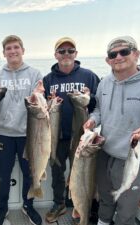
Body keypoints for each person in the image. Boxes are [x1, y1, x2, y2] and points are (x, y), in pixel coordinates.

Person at [83, 36, 140, 225]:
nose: (118, 57)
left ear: (137, 54)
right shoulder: (104, 83)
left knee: (127, 208)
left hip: (134, 158)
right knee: (105, 199)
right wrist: (92, 120)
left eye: (124, 52)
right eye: (112, 54)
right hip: (105, 153)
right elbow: (99, 109)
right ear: (107, 60)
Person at [42, 37, 100, 223]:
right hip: (57, 136)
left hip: (82, 138)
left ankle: (81, 207)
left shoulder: (89, 76)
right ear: (55, 55)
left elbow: (99, 105)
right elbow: (41, 109)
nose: (66, 54)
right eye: (62, 51)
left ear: (76, 53)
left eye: (70, 50)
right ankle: (59, 204)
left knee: (82, 174)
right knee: (58, 173)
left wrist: (88, 99)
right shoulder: (48, 79)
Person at [0, 35, 43, 225]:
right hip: (3, 134)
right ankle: (2, 207)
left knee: (29, 172)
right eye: (8, 48)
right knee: (3, 174)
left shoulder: (35, 74)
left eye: (16, 47)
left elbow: (39, 100)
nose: (12, 51)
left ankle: (28, 205)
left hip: (27, 134)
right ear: (3, 52)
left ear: (23, 50)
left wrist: (39, 95)